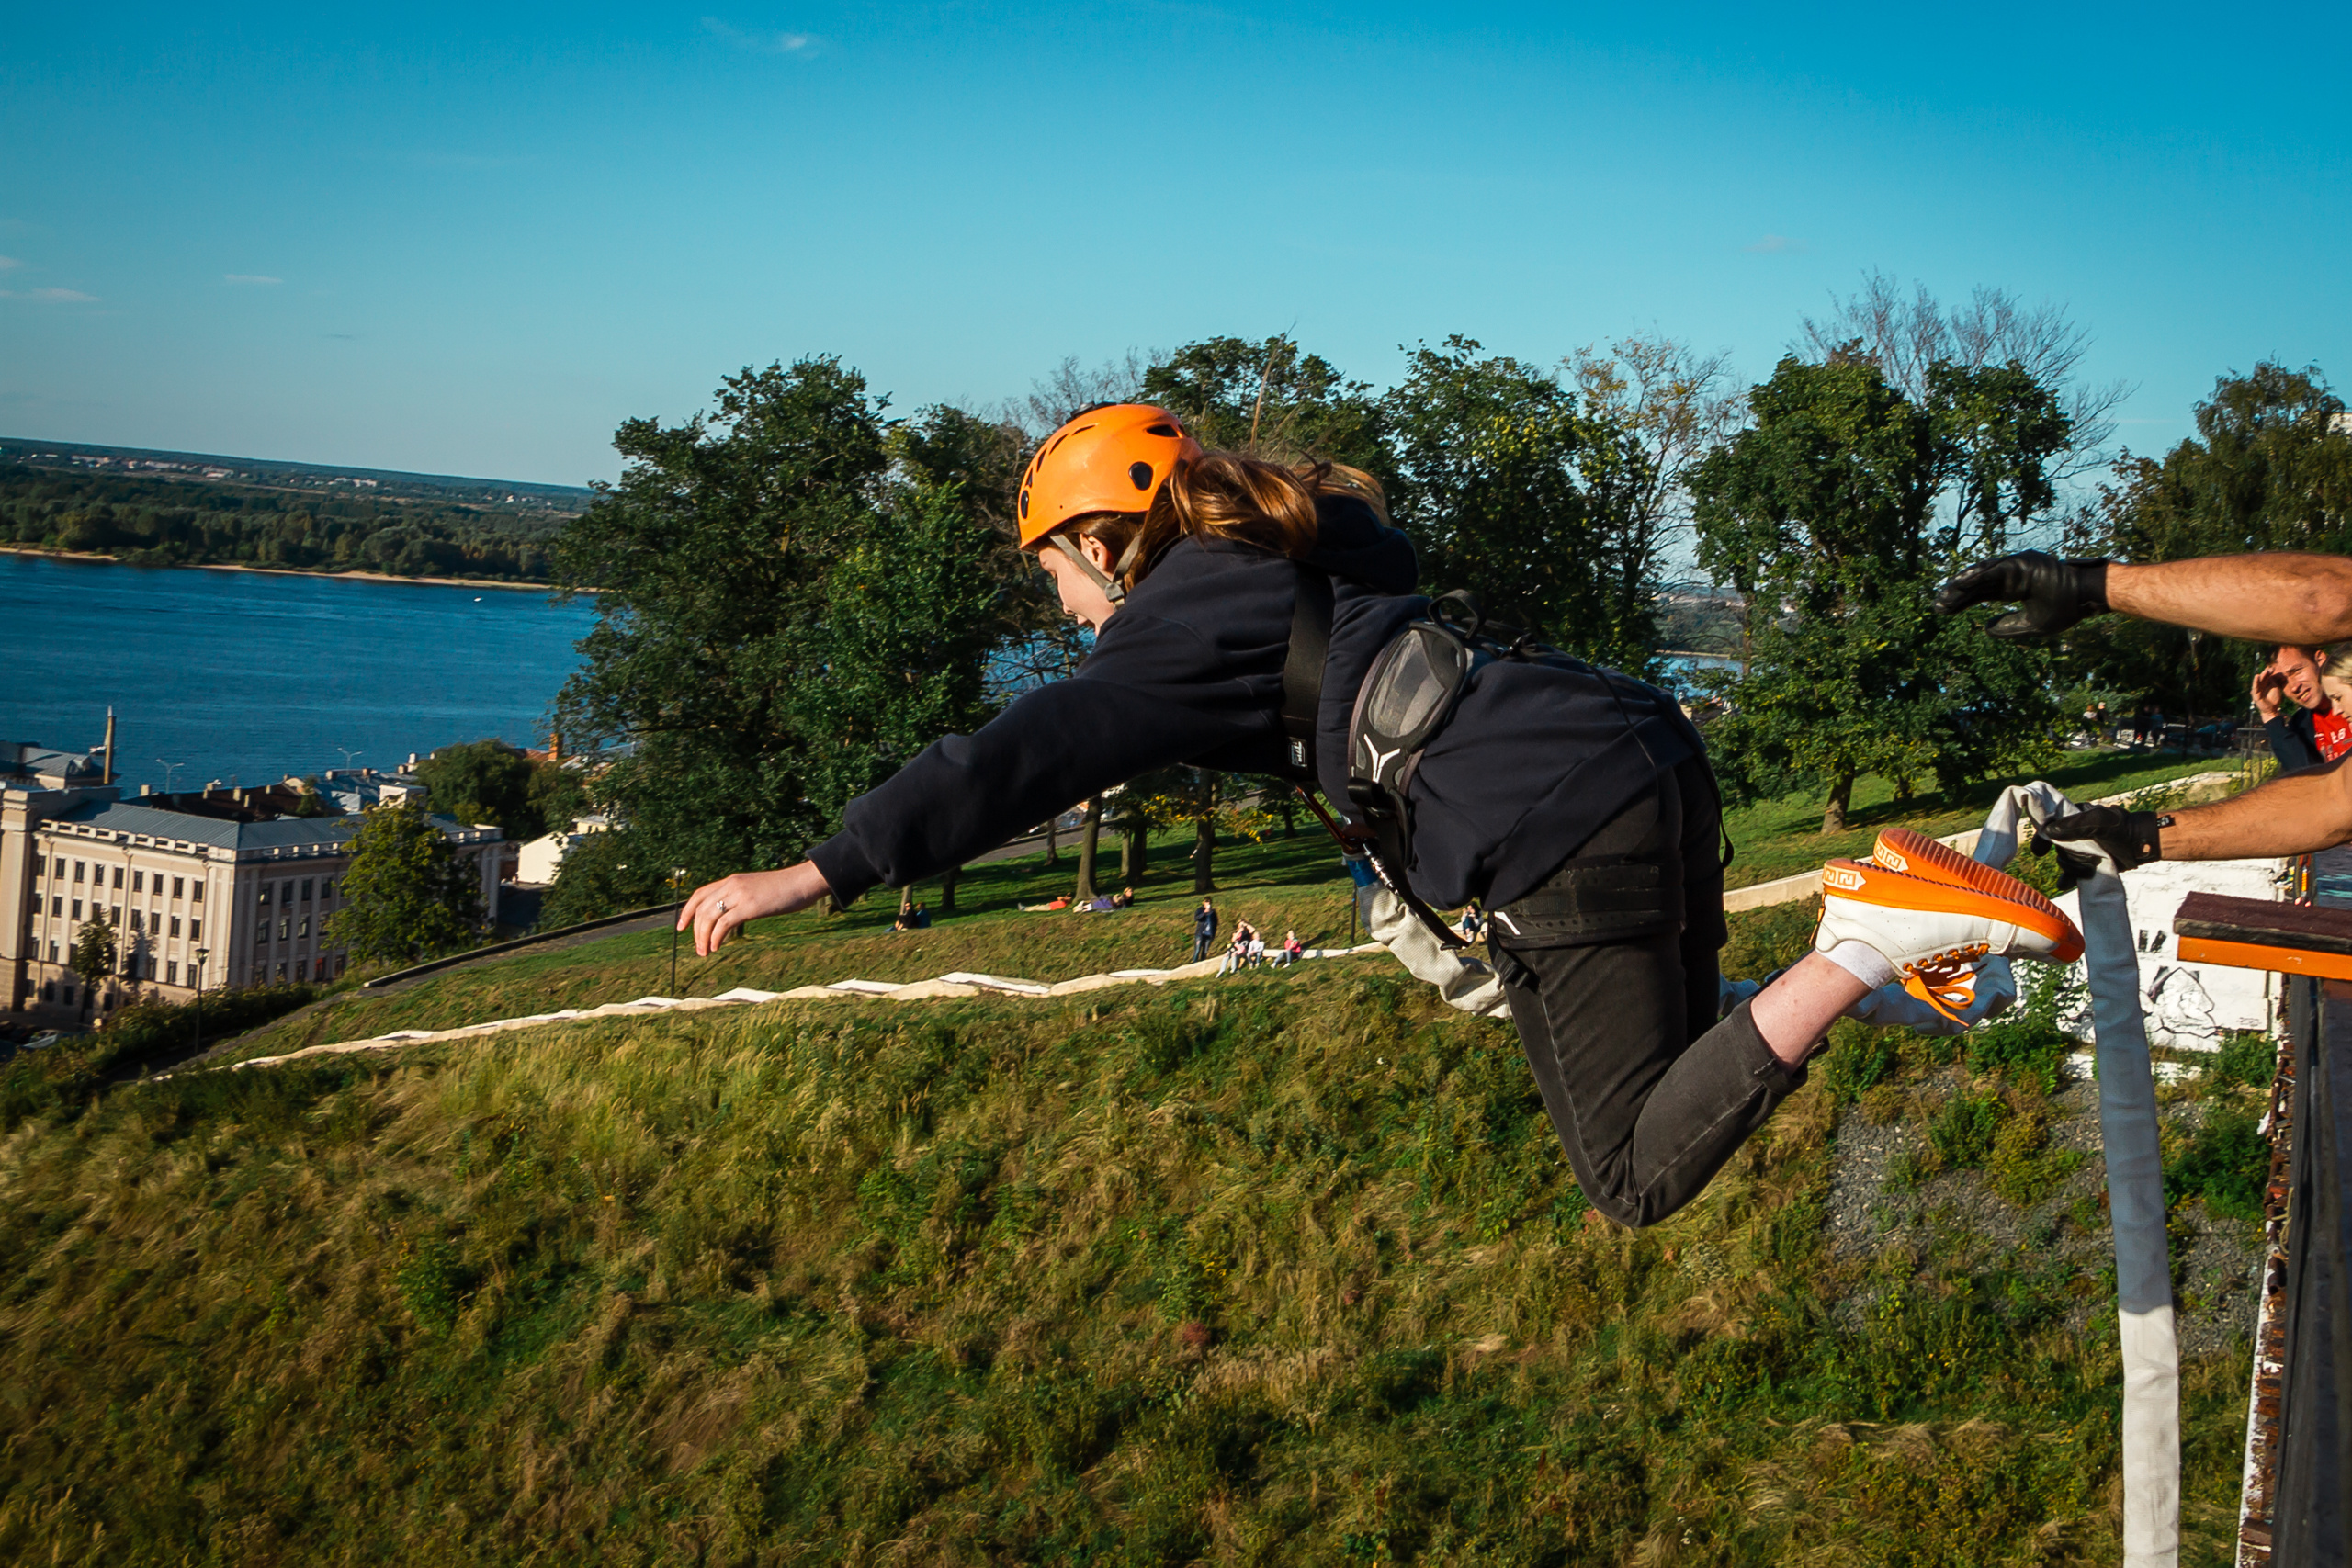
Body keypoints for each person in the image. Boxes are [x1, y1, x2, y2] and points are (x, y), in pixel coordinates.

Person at [684, 406, 2078, 1229]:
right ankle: (1905, 953)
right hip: (1636, 752)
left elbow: (1017, 752)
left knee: (1632, 1169)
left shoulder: (1174, 613)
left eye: (1052, 566)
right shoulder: (1291, 555)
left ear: (1102, 542)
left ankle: (1877, 937)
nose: (1057, 600)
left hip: (1547, 828)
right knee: (1680, 1015)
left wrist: (817, 868)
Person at [1937, 550, 2352, 865]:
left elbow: (2327, 600)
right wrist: (2140, 835)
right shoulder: (2308, 718)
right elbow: (2333, 798)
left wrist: (2092, 587)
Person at [2252, 644, 2349, 769]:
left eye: (2296, 671)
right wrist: (2269, 714)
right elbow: (2304, 777)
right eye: (2283, 682)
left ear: (2320, 660)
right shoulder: (2300, 726)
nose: (2293, 687)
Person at [1192, 897, 1218, 962]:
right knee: (1197, 950)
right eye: (1207, 902)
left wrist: (1213, 934)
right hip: (1200, 933)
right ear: (1204, 903)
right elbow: (1196, 918)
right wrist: (1204, 912)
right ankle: (1194, 963)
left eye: (1209, 902)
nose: (1208, 903)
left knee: (1205, 951)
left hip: (1209, 934)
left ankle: (1202, 964)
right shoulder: (1200, 909)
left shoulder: (1213, 912)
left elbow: (1215, 922)